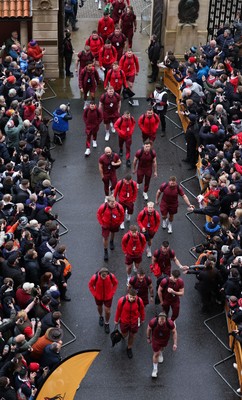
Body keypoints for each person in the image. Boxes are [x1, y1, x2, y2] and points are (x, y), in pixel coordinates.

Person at [114, 288, 145, 358]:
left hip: (134, 322)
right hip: (124, 321)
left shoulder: (139, 301)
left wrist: (142, 318)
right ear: (128, 295)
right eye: (131, 297)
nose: (132, 299)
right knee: (124, 334)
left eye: (133, 297)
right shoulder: (122, 301)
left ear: (136, 296)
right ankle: (122, 336)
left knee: (132, 335)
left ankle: (129, 347)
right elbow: (118, 310)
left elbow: (142, 310)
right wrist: (116, 320)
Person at [146, 312, 177, 378]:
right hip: (155, 339)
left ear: (166, 320)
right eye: (160, 320)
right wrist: (148, 337)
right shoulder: (153, 322)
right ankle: (155, 369)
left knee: (162, 348)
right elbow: (149, 329)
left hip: (165, 339)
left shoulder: (170, 323)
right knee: (156, 353)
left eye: (163, 320)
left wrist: (175, 344)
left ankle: (161, 353)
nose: (161, 322)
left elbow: (174, 332)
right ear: (158, 319)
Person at [88, 267, 118, 333]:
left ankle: (106, 323)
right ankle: (101, 316)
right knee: (99, 307)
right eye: (102, 276)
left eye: (105, 276)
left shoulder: (111, 276)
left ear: (107, 274)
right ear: (100, 274)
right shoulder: (95, 277)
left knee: (107, 311)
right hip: (98, 297)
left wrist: (112, 292)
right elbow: (90, 285)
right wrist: (95, 294)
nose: (104, 277)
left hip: (108, 297)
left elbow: (115, 283)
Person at [97, 195, 124, 261]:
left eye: (114, 202)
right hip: (106, 224)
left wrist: (119, 222)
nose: (114, 204)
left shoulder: (118, 207)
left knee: (113, 233)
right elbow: (99, 214)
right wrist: (101, 223)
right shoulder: (103, 207)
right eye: (112, 203)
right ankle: (105, 250)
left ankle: (111, 241)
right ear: (108, 202)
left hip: (114, 224)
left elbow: (122, 214)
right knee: (105, 237)